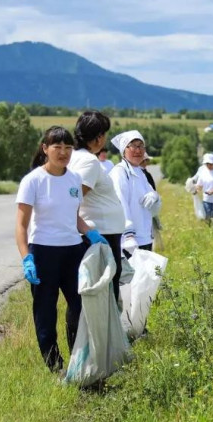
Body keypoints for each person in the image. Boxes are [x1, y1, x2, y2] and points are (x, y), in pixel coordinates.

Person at [15, 126, 109, 372]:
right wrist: (27, 258)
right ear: (45, 149)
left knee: (80, 307)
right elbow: (21, 226)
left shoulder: (74, 179)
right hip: (44, 252)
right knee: (46, 312)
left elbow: (74, 217)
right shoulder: (33, 180)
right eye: (57, 147)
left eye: (68, 147)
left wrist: (90, 232)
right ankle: (55, 366)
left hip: (73, 252)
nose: (63, 152)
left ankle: (80, 360)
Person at [68, 111, 125, 291]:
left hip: (99, 232)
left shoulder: (75, 157)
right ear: (99, 137)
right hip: (101, 235)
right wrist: (86, 230)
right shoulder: (89, 162)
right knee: (105, 294)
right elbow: (72, 200)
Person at [111, 130, 159, 255]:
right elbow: (120, 204)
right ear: (123, 150)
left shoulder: (140, 172)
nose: (138, 150)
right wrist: (128, 235)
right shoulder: (120, 173)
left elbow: (154, 206)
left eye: (141, 146)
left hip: (144, 237)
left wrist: (155, 197)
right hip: (129, 242)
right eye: (133, 146)